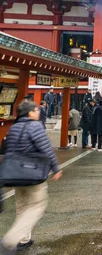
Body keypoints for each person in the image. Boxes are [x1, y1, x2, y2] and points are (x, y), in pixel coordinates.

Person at [0, 101, 62, 254]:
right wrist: (56, 168)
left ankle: (24, 238)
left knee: (22, 206)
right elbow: (46, 148)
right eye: (36, 109)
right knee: (37, 206)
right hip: (32, 173)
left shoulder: (14, 127)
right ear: (30, 113)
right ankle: (11, 240)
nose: (38, 111)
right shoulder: (35, 126)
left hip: (16, 174)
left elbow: (8, 149)